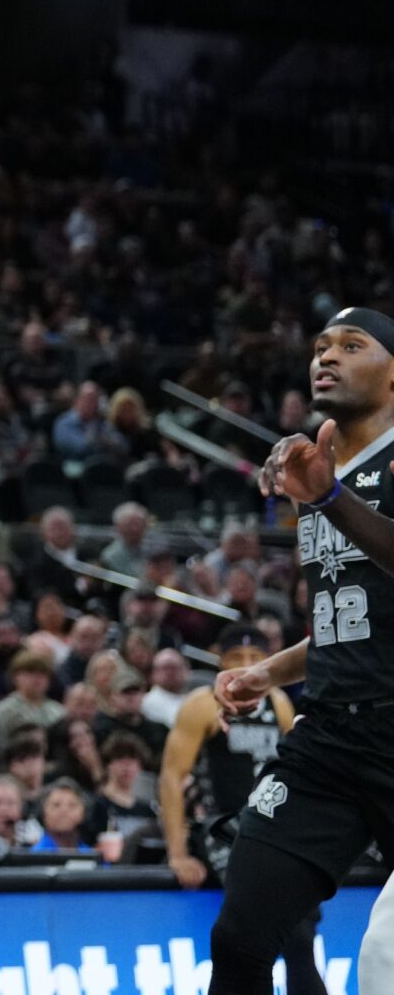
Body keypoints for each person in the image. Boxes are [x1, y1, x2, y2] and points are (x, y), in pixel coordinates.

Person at [218, 310, 394, 995]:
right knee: (240, 938)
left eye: (353, 346)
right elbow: (346, 618)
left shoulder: (329, 484)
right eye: (320, 347)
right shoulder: (321, 472)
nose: (327, 357)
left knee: (384, 966)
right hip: (331, 740)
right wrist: (269, 669)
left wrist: (329, 497)